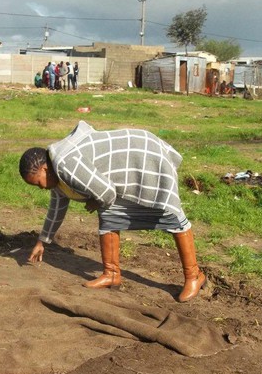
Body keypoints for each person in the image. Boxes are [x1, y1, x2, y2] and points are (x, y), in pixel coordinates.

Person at [18, 121, 206, 302]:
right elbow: (57, 208)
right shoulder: (55, 176)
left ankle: (194, 275)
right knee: (109, 213)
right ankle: (112, 274)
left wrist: (93, 201)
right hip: (124, 167)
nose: (41, 188)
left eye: (38, 182)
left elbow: (107, 191)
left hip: (143, 156)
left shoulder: (66, 165)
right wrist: (42, 241)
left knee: (168, 214)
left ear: (44, 168)